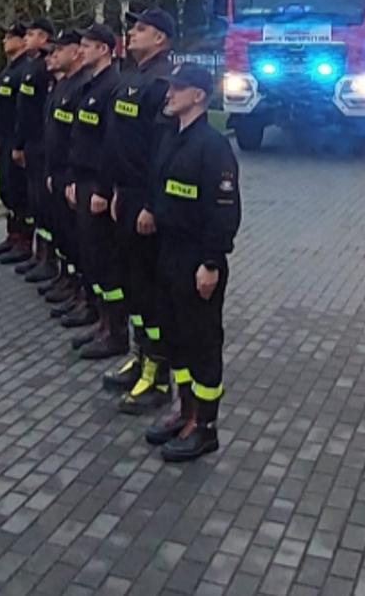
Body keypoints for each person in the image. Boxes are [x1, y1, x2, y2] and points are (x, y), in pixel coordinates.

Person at [144, 64, 241, 463]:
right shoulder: (172, 137)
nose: (169, 95)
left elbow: (224, 211)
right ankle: (185, 412)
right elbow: (160, 185)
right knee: (177, 338)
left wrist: (211, 262)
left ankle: (205, 428)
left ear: (198, 96)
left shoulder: (213, 146)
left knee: (202, 343)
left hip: (198, 260)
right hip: (169, 252)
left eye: (178, 89)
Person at [102, 9, 182, 413]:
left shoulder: (162, 82)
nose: (132, 34)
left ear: (162, 39)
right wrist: (118, 190)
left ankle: (158, 374)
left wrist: (152, 204)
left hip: (147, 200)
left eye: (142, 29)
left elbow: (162, 152)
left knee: (151, 290)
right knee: (133, 282)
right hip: (127, 194)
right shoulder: (132, 77)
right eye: (132, 28)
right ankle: (141, 355)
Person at [65, 23, 128, 361]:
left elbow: (111, 146)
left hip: (99, 184)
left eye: (87, 46)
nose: (81, 51)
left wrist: (104, 189)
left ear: (104, 49)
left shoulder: (112, 88)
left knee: (106, 260)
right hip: (84, 179)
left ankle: (116, 332)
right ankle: (103, 322)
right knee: (92, 257)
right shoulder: (91, 86)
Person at [41, 31, 96, 327]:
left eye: (61, 49)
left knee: (79, 239)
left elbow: (81, 139)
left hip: (73, 175)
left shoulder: (82, 87)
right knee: (64, 233)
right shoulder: (62, 85)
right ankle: (70, 284)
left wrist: (72, 176)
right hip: (59, 171)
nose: (55, 54)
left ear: (75, 53)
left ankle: (85, 297)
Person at [17, 31, 72, 282]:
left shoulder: (71, 87)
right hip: (43, 155)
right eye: (50, 53)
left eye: (55, 52)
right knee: (39, 206)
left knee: (56, 218)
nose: (50, 58)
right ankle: (43, 257)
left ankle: (55, 266)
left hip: (60, 165)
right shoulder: (57, 87)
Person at [0, 24, 34, 261]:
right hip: (4, 138)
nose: (5, 41)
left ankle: (25, 241)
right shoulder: (8, 69)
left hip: (16, 139)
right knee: (7, 189)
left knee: (19, 191)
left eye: (10, 37)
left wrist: (19, 143)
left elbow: (22, 111)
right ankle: (12, 235)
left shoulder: (24, 71)